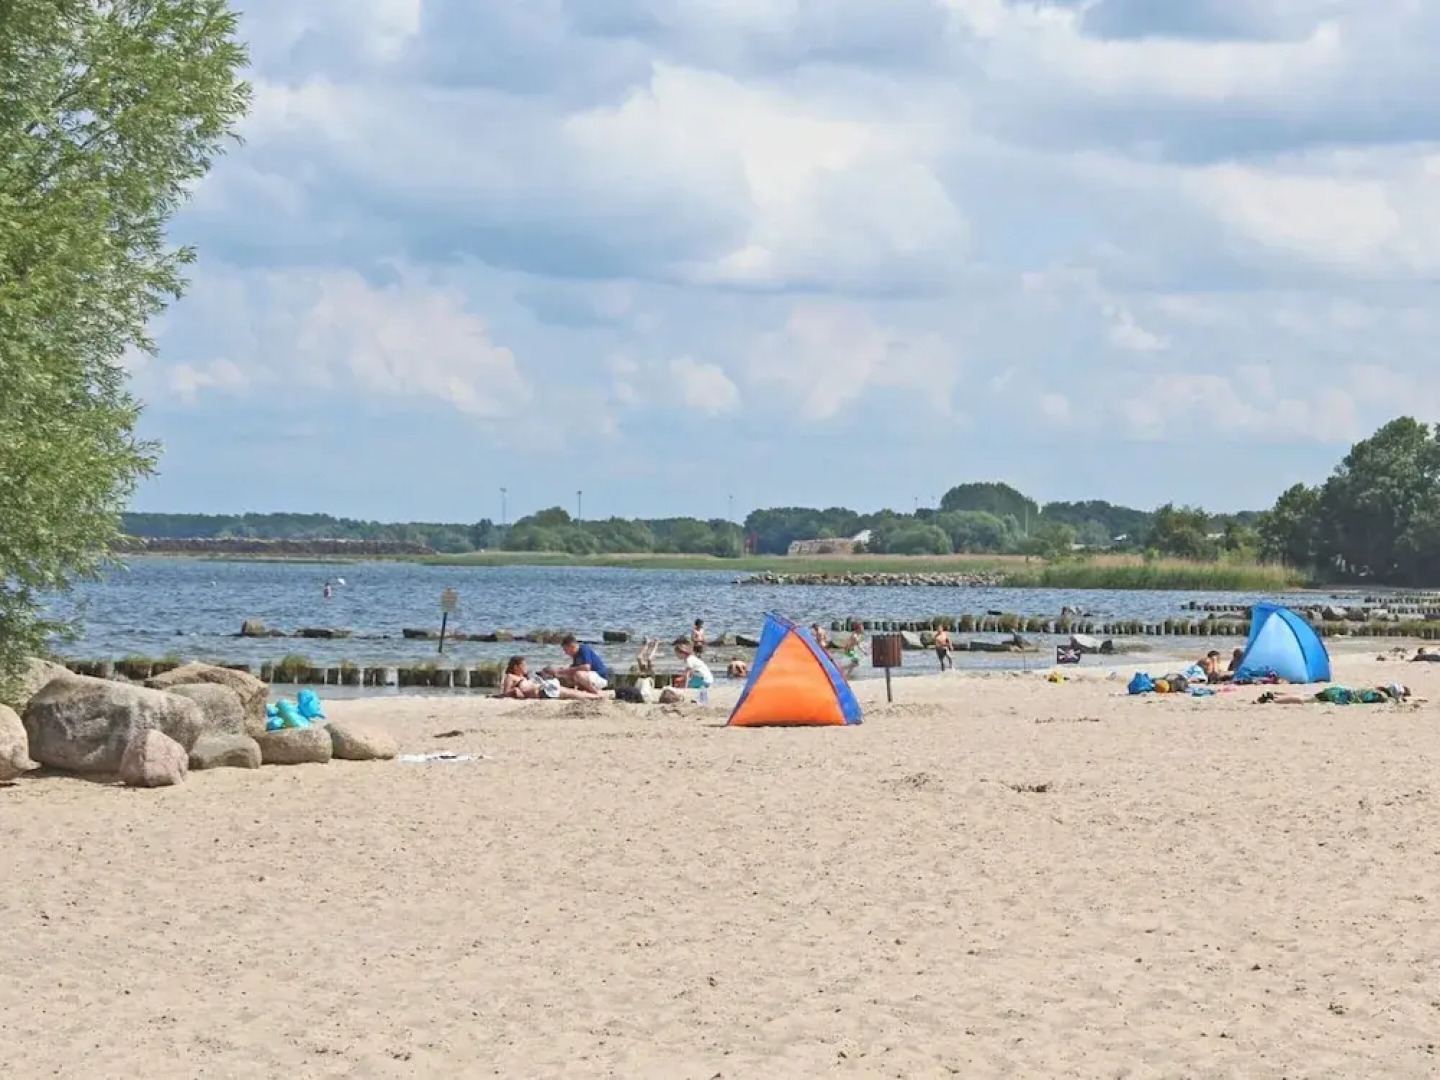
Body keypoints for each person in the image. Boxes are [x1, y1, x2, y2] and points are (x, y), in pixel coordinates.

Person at [674, 638, 714, 702]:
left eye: (677, 654)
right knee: (679, 681)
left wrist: (685, 688)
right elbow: (692, 673)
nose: (676, 656)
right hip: (708, 679)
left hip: (704, 681)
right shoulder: (692, 658)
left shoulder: (689, 660)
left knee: (678, 683)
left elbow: (687, 675)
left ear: (681, 653)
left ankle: (680, 696)